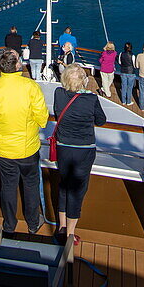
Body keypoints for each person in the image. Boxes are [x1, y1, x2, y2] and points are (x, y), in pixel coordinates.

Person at [0, 48, 49, 234]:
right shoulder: (30, 87)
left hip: (2, 149)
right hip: (27, 147)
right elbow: (42, 118)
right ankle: (33, 223)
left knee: (8, 185)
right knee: (31, 185)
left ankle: (9, 225)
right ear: (18, 65)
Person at [54, 63, 106, 244]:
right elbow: (101, 120)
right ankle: (69, 234)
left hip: (63, 148)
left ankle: (61, 227)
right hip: (84, 150)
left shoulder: (59, 94)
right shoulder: (91, 99)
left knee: (64, 185)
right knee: (76, 190)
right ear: (83, 81)